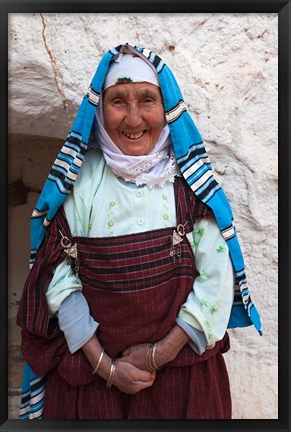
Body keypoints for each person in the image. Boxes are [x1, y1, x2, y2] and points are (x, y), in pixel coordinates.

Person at [17, 43, 262, 420]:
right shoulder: (79, 187)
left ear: (166, 108)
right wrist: (105, 367)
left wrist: (157, 353)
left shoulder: (188, 186)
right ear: (99, 109)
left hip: (182, 379)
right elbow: (59, 281)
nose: (133, 120)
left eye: (147, 100)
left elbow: (216, 277)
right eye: (118, 101)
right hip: (91, 382)